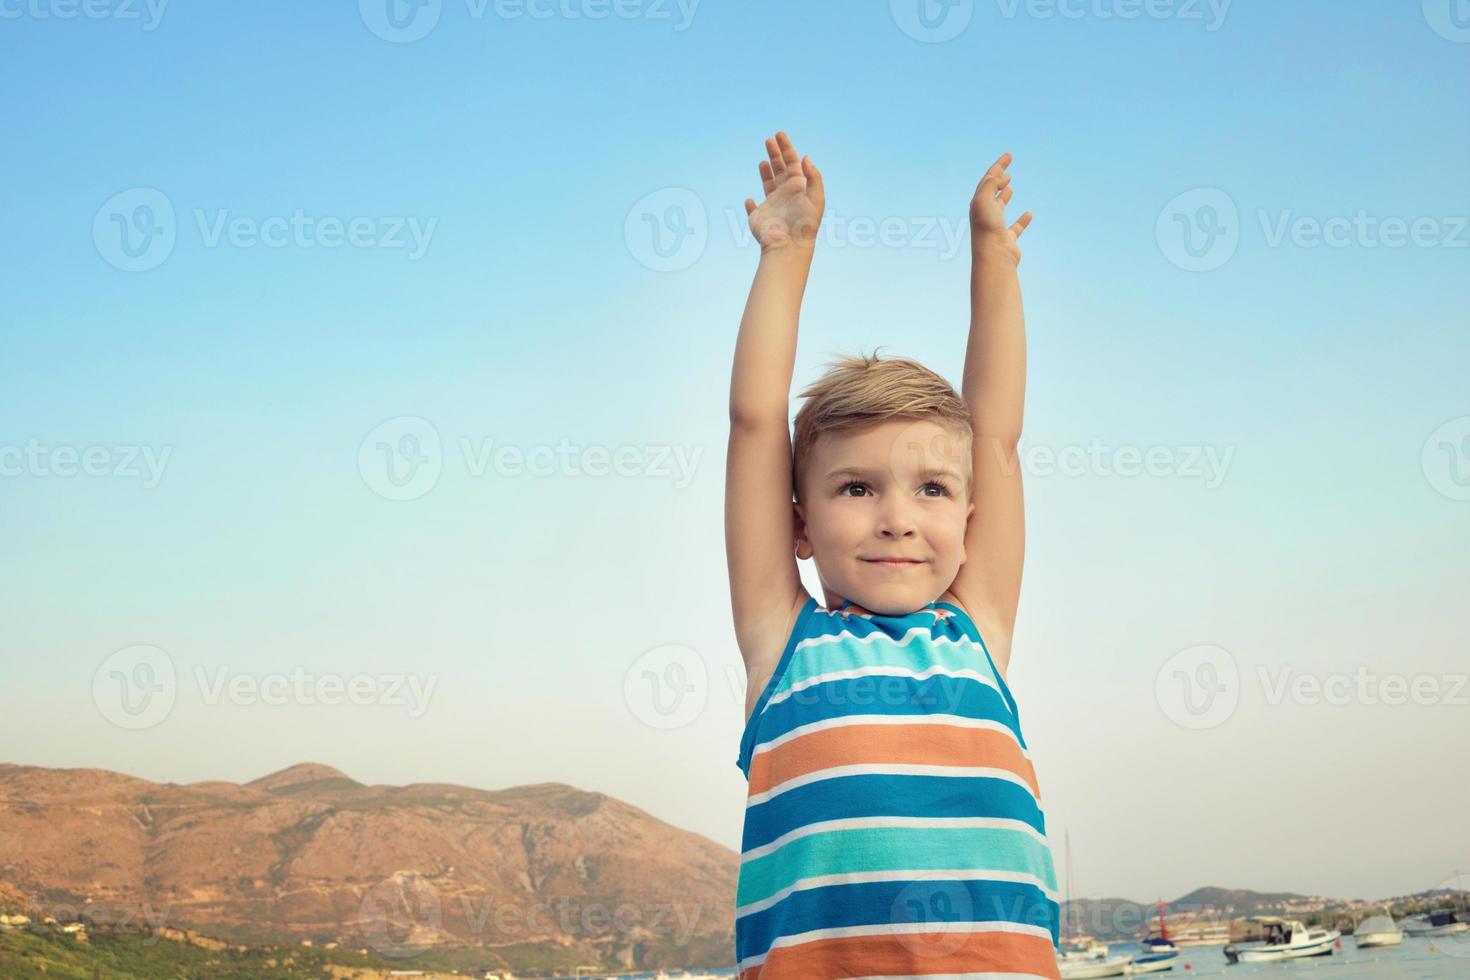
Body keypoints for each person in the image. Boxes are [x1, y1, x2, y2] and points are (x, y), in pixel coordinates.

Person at [726, 130, 1061, 978]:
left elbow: (998, 434)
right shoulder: (783, 641)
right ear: (798, 524)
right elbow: (757, 423)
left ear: (971, 513)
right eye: (856, 488)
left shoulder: (977, 628)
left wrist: (995, 260)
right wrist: (787, 252)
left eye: (932, 490)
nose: (897, 520)